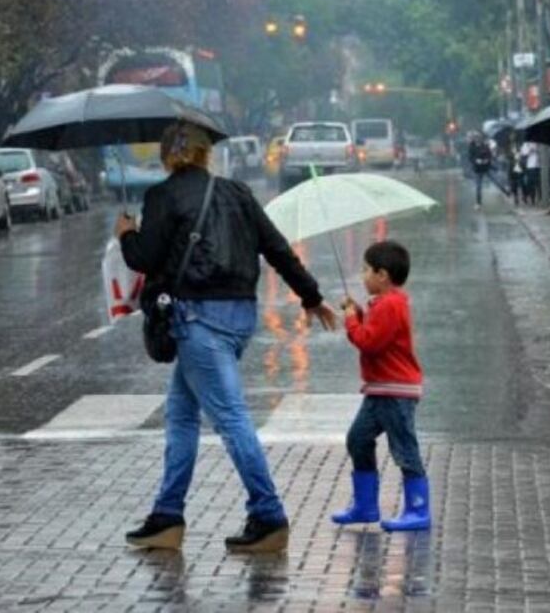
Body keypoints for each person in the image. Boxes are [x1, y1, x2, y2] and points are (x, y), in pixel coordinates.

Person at [116, 122, 338, 553]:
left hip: (197, 320)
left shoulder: (163, 196)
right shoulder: (237, 193)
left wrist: (126, 233)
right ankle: (167, 516)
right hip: (238, 317)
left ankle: (268, 514)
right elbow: (276, 248)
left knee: (231, 418)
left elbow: (143, 257)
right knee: (180, 416)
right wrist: (311, 296)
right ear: (204, 154)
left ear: (167, 156)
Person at [333, 240, 430, 532]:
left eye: (366, 270)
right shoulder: (384, 304)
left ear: (382, 275)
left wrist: (351, 321)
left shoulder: (391, 304)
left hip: (395, 390)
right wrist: (360, 314)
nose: (363, 276)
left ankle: (418, 508)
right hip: (378, 389)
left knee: (404, 448)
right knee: (358, 439)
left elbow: (369, 342)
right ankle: (365, 505)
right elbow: (375, 331)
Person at [468, 134, 493, 211]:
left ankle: (506, 193)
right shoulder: (472, 147)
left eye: (479, 138)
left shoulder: (485, 146)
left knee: (495, 180)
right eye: (476, 138)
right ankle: (478, 203)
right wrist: (476, 160)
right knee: (478, 187)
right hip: (477, 169)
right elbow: (470, 157)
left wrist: (486, 160)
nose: (478, 139)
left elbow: (489, 155)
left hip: (486, 168)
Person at [519, 140, 540, 205]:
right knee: (531, 183)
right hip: (530, 166)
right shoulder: (526, 144)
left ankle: (536, 198)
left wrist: (537, 149)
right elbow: (523, 153)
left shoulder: (538, 143)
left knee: (538, 183)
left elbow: (542, 152)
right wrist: (530, 150)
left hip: (538, 165)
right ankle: (531, 198)